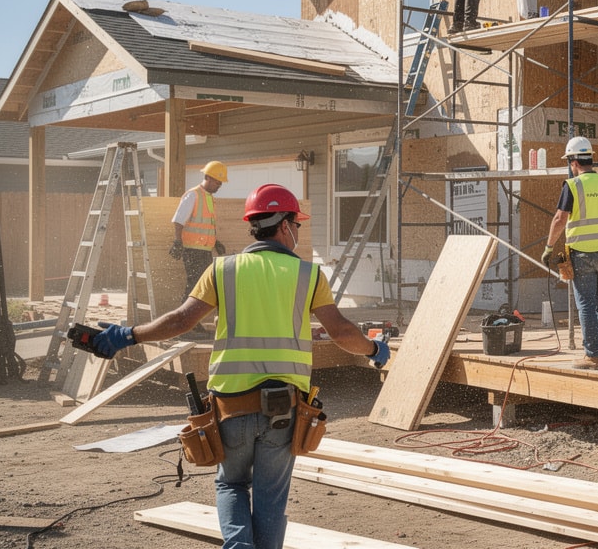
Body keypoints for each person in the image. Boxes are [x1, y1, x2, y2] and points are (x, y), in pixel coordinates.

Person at [94, 184, 390, 549]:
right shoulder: (309, 276)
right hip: (283, 412)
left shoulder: (222, 270)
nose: (297, 231)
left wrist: (128, 335)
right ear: (283, 226)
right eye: (296, 224)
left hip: (230, 409)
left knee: (231, 484)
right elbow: (342, 332)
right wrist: (374, 349)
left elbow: (179, 321)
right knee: (270, 497)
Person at [542, 136, 598, 370]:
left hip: (582, 253)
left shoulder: (573, 185)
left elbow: (560, 218)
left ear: (573, 162)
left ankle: (592, 355)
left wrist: (549, 247)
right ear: (590, 159)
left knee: (586, 305)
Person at [171, 161, 228, 301]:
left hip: (204, 250)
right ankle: (184, 318)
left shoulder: (209, 198)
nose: (219, 185)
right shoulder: (193, 195)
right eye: (217, 182)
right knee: (195, 285)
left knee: (201, 286)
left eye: (221, 183)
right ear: (208, 177)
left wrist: (215, 242)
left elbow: (206, 225)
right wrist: (178, 242)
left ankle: (189, 320)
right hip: (192, 251)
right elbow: (179, 221)